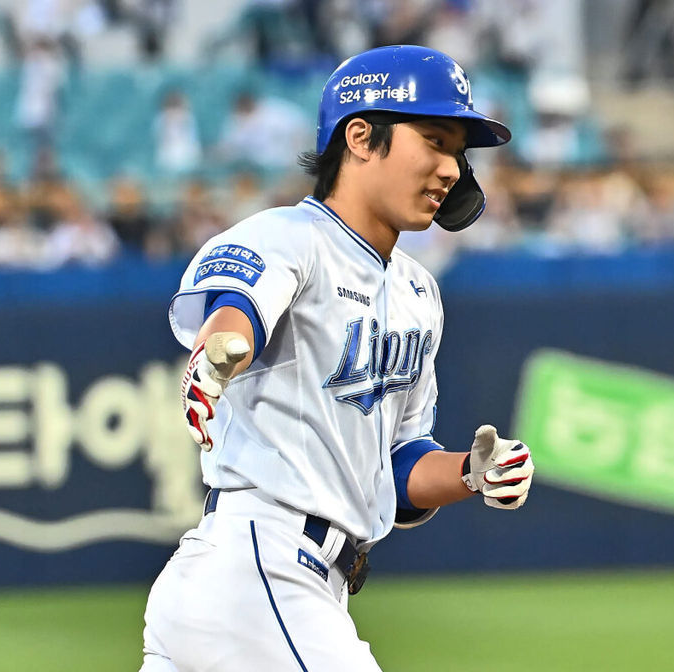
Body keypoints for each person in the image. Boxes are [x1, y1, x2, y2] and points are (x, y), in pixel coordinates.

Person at [140, 45, 535, 672]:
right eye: (434, 139)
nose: (452, 170)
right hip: (259, 569)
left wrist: (470, 472)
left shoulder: (418, 293)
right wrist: (216, 358)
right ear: (360, 137)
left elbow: (398, 468)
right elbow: (237, 312)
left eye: (457, 152)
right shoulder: (288, 238)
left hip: (292, 587)